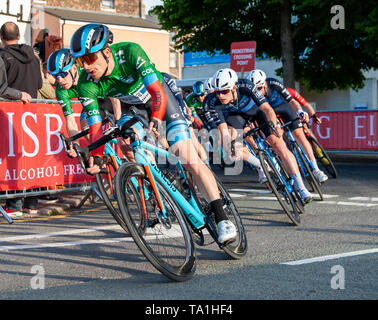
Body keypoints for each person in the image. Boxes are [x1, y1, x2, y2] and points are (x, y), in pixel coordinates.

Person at [70, 23, 237, 244]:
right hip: (134, 108)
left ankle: (223, 218)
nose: (87, 66)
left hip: (159, 99)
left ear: (107, 52)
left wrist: (157, 119)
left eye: (90, 58)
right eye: (81, 62)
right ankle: (159, 183)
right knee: (125, 142)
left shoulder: (130, 52)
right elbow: (95, 124)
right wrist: (98, 157)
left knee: (186, 155)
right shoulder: (86, 83)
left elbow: (157, 93)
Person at [203, 68, 313, 203]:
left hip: (257, 112)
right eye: (217, 91)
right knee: (229, 147)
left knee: (278, 145)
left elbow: (267, 109)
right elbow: (223, 129)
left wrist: (273, 125)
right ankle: (261, 164)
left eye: (224, 91)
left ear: (233, 87)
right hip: (236, 117)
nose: (220, 95)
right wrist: (231, 145)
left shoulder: (246, 86)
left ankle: (302, 188)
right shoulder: (211, 102)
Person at [248, 69, 328, 184]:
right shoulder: (252, 96)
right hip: (271, 115)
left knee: (299, 135)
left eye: (259, 88)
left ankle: (316, 169)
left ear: (265, 84)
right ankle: (287, 166)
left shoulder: (274, 84)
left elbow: (291, 101)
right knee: (277, 138)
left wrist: (300, 112)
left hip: (284, 108)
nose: (258, 93)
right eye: (255, 90)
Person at [0, 21, 42, 216]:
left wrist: (17, 94)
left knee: (12, 157)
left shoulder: (2, 56)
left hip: (9, 114)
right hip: (33, 114)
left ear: (1, 38)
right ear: (19, 36)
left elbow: (1, 88)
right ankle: (31, 203)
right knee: (30, 158)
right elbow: (40, 83)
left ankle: (14, 204)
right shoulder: (33, 58)